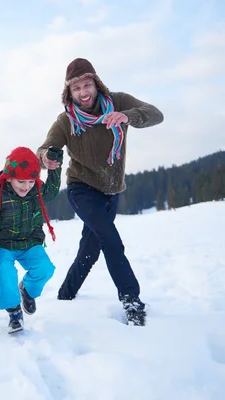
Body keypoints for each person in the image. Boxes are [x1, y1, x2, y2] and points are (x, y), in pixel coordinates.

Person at [37, 58, 164, 326]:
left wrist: (127, 116)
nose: (83, 92)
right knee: (111, 240)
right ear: (68, 93)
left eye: (87, 84)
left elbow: (155, 114)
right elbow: (45, 148)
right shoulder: (66, 121)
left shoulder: (117, 102)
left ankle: (65, 296)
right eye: (76, 88)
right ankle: (131, 299)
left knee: (90, 249)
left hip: (112, 190)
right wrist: (45, 158)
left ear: (96, 83)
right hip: (81, 188)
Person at [0, 146, 63, 333]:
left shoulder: (37, 190)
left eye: (31, 181)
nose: (26, 186)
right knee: (3, 272)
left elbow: (52, 192)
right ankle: (14, 312)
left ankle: (27, 290)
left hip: (31, 242)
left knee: (45, 269)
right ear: (9, 177)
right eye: (21, 181)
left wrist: (54, 167)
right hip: (3, 243)